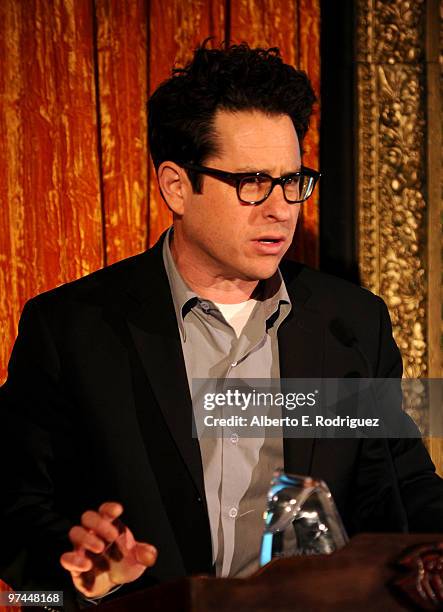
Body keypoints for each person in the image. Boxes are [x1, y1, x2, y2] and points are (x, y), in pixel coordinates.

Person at [1, 42, 442, 609]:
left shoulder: (352, 323)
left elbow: (403, 489)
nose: (282, 208)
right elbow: (14, 506)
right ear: (177, 187)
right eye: (254, 181)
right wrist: (85, 577)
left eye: (293, 180)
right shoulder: (73, 328)